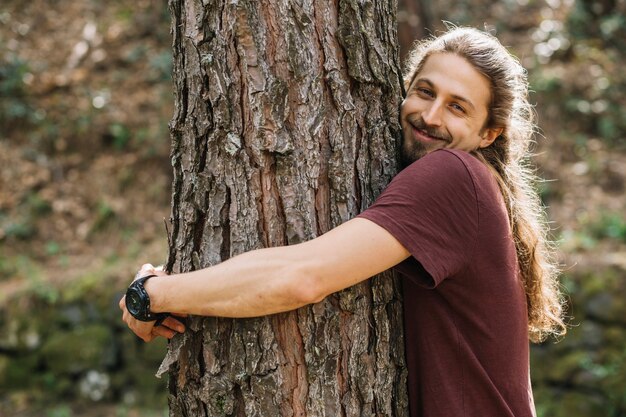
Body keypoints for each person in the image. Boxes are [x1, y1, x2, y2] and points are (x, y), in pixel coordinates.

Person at [120, 26, 566, 416]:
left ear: (489, 133)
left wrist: (155, 293)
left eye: (457, 107)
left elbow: (301, 277)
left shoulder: (452, 174)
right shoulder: (467, 185)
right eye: (426, 92)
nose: (430, 117)